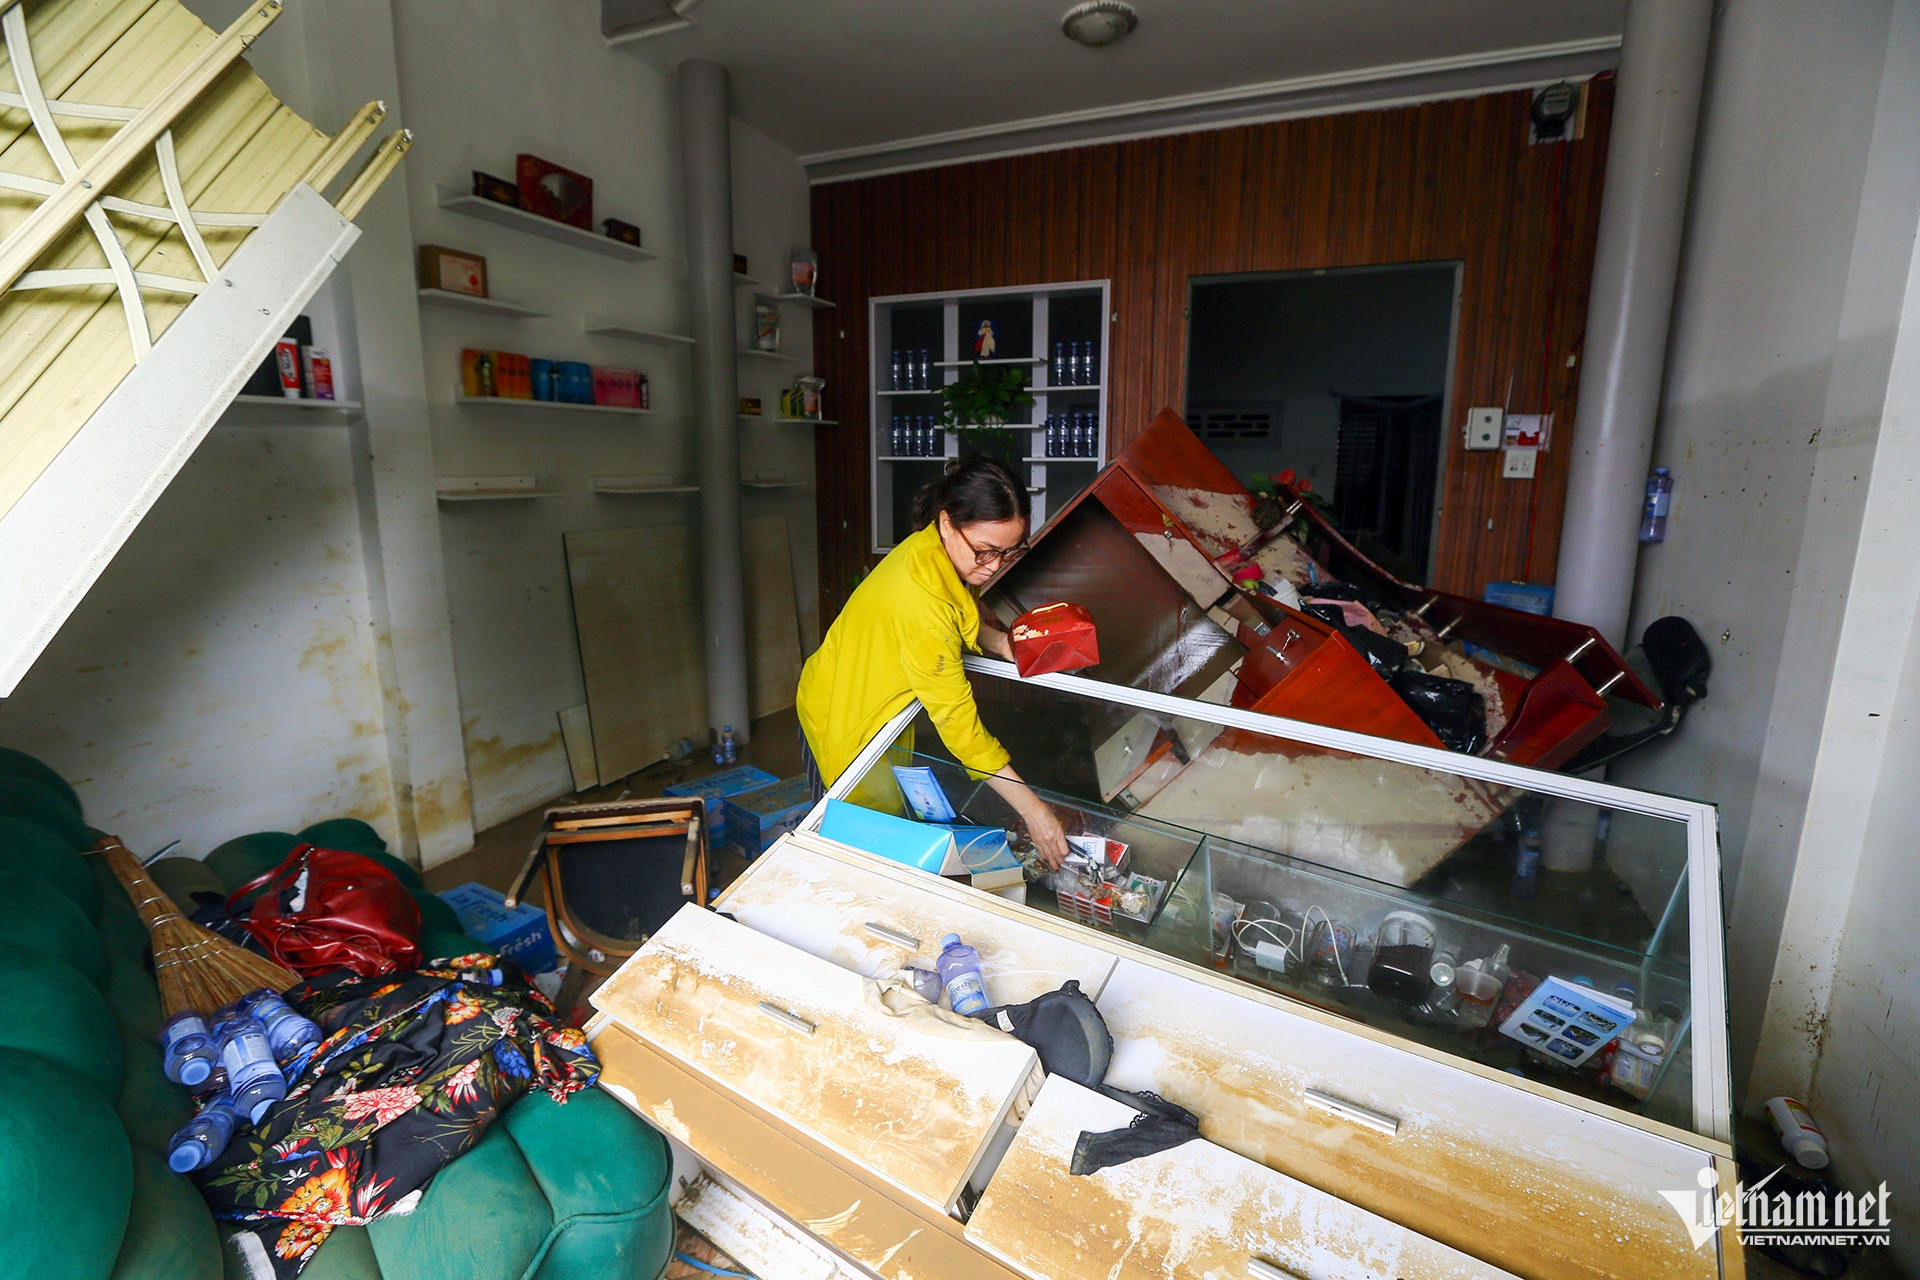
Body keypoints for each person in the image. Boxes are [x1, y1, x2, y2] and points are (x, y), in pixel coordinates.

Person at [797, 454, 1070, 867]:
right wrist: (1034, 811)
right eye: (985, 551)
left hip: (872, 697)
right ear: (947, 522)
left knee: (881, 824)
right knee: (849, 837)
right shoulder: (922, 604)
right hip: (840, 714)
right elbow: (961, 729)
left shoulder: (935, 549)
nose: (994, 566)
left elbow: (954, 612)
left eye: (1008, 552)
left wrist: (1000, 642)